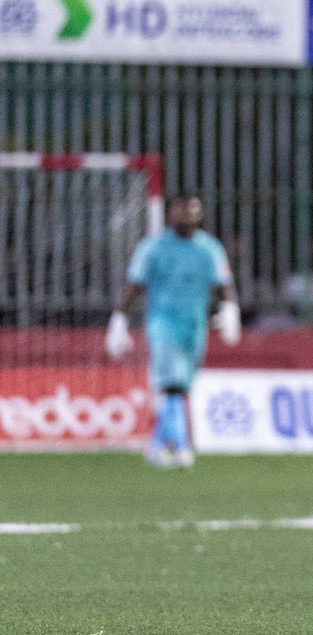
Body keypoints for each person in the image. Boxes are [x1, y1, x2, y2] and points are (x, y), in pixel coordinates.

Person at [105, 196, 240, 468]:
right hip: (163, 322)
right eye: (183, 209)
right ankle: (179, 445)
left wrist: (230, 311)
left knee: (182, 384)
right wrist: (119, 319)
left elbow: (224, 283)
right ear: (171, 213)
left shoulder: (209, 248)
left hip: (195, 325)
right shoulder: (153, 247)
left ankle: (157, 445)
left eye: (194, 210)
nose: (189, 215)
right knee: (171, 383)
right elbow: (134, 285)